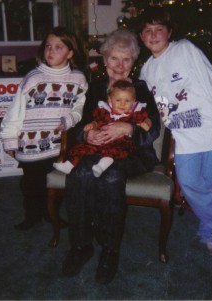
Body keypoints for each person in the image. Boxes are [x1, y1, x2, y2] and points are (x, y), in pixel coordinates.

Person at [61, 29, 160, 284]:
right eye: (114, 59)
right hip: (96, 150)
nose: (120, 65)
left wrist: (129, 128)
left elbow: (154, 127)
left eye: (126, 59)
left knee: (111, 177)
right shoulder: (94, 89)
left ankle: (110, 250)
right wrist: (87, 135)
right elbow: (79, 124)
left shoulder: (140, 88)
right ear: (105, 61)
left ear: (133, 62)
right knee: (80, 174)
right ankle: (81, 246)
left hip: (132, 153)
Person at [138, 6, 212, 254]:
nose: (153, 35)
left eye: (158, 29)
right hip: (184, 138)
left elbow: (211, 78)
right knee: (191, 182)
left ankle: (210, 231)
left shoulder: (184, 50)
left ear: (169, 32)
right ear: (141, 36)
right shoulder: (146, 70)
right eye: (147, 31)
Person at [0, 27, 88, 231]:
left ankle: (51, 214)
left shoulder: (78, 79)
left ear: (70, 53)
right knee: (31, 184)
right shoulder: (33, 78)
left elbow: (79, 107)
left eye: (58, 47)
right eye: (48, 46)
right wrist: (9, 139)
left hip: (59, 144)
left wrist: (71, 119)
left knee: (56, 184)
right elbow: (15, 111)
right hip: (30, 143)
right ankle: (31, 215)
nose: (51, 51)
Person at [53, 79, 152, 177]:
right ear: (110, 100)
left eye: (127, 101)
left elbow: (147, 120)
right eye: (118, 100)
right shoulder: (105, 111)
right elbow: (98, 121)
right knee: (82, 148)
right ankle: (69, 165)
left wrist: (146, 124)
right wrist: (92, 125)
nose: (122, 104)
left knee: (115, 151)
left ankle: (101, 167)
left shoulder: (135, 113)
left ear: (133, 101)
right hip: (101, 141)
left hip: (120, 143)